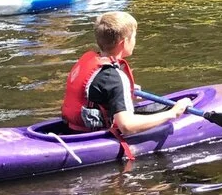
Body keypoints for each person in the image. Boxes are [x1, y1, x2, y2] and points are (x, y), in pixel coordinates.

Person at [61, 10, 191, 138]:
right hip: (93, 137)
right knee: (166, 112)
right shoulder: (114, 77)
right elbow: (127, 126)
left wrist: (123, 94)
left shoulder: (89, 60)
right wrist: (174, 113)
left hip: (72, 129)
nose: (135, 41)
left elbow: (97, 93)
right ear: (124, 43)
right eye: (134, 37)